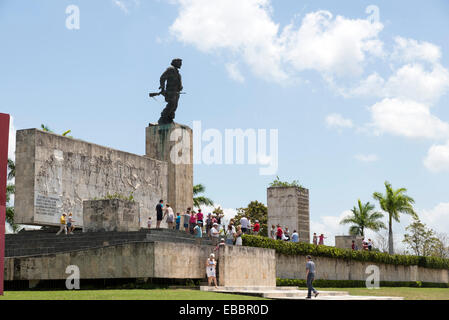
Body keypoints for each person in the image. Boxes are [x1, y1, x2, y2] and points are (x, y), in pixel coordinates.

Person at [157, 58, 183, 125]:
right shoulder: (170, 69)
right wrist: (162, 88)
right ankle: (163, 117)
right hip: (170, 92)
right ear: (175, 62)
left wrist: (180, 87)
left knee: (174, 106)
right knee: (171, 105)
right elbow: (162, 77)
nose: (181, 64)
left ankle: (169, 118)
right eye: (179, 62)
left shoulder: (178, 73)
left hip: (176, 93)